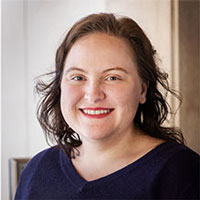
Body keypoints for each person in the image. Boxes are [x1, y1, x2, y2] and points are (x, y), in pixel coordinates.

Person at [15, 13, 199, 199]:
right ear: (60, 86)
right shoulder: (37, 171)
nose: (93, 95)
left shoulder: (181, 172)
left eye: (113, 78)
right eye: (78, 77)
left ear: (142, 90)